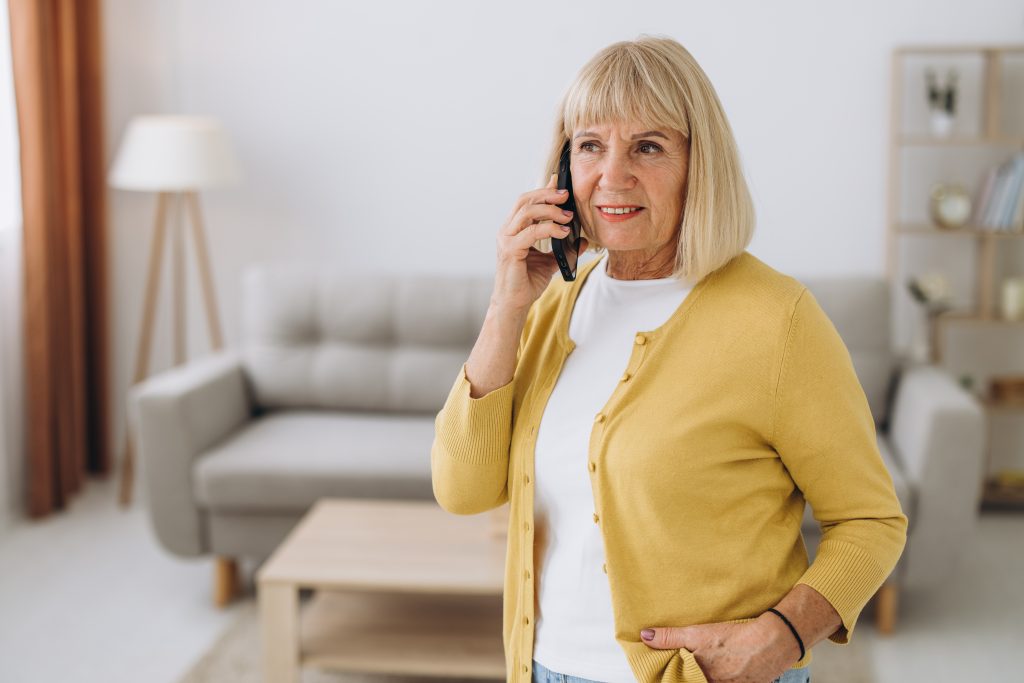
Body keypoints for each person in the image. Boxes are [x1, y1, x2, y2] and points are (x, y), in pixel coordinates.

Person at [431, 35, 907, 683]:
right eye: (590, 145)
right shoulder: (551, 306)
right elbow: (462, 490)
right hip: (543, 667)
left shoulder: (776, 318)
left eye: (648, 147)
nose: (612, 175)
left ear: (698, 163)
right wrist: (506, 305)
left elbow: (871, 520)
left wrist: (783, 635)